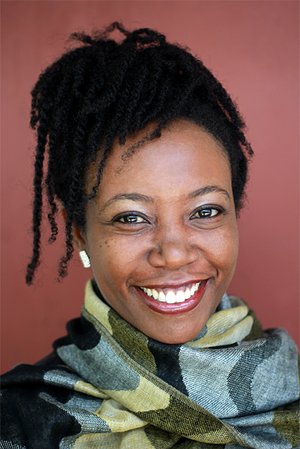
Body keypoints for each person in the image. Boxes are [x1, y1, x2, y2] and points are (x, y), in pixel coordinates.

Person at [1, 22, 299, 449]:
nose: (174, 254)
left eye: (206, 211)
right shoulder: (18, 424)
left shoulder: (292, 389)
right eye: (131, 218)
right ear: (80, 233)